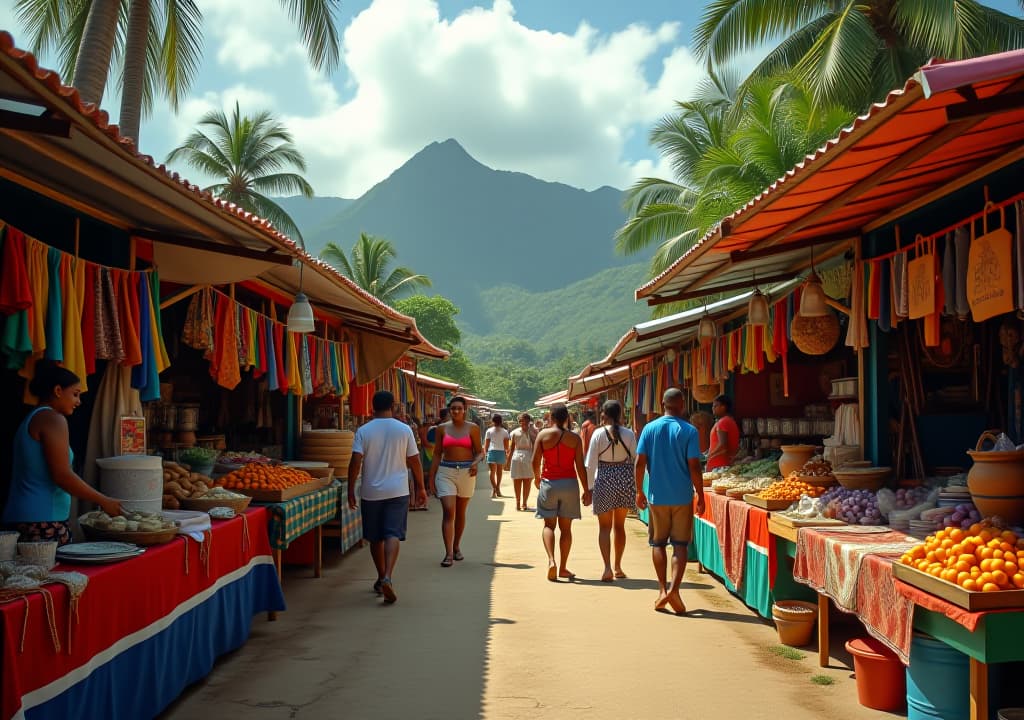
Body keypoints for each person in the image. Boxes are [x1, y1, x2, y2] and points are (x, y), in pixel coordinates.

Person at [2, 361, 122, 546]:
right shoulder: (53, 419)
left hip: (22, 517)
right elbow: (62, 475)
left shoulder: (33, 418)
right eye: (75, 394)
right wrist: (103, 500)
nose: (79, 402)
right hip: (42, 522)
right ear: (58, 391)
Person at [347, 391, 426, 604]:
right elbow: (415, 460)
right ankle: (388, 576)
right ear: (392, 405)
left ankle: (381, 577)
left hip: (371, 492)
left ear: (372, 407)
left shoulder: (363, 431)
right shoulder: (404, 430)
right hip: (398, 491)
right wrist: (421, 487)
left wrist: (349, 490)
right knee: (392, 533)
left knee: (375, 537)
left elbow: (355, 461)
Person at [635, 387, 704, 614]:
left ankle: (662, 590)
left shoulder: (649, 429)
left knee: (658, 543)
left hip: (657, 496)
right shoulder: (689, 430)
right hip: (682, 496)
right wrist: (701, 494)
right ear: (682, 404)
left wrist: (639, 491)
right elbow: (694, 465)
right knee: (680, 545)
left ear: (663, 404)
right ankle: (675, 589)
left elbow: (639, 462)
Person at [532, 403, 590, 581]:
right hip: (569, 485)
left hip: (549, 483)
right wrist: (586, 489)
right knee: (566, 529)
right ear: (567, 418)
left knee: (548, 526)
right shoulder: (575, 439)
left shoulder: (542, 435)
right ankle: (563, 567)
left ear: (551, 417)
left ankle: (551, 561)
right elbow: (580, 466)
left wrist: (537, 478)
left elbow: (535, 461)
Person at [584, 400, 637, 582]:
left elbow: (590, 465)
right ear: (620, 414)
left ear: (604, 415)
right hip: (624, 479)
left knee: (604, 528)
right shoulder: (629, 434)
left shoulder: (598, 434)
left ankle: (607, 568)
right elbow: (636, 460)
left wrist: (589, 489)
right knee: (620, 526)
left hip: (604, 478)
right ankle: (618, 567)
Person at [428, 396, 483, 567]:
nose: (456, 411)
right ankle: (449, 553)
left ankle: (457, 545)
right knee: (448, 511)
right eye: (453, 408)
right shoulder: (441, 429)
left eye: (459, 408)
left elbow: (480, 452)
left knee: (460, 512)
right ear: (449, 410)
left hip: (467, 472)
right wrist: (431, 478)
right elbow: (437, 453)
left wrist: (475, 463)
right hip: (446, 472)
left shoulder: (473, 428)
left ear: (465, 410)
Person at [505, 413, 536, 511]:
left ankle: (524, 503)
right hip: (518, 457)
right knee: (517, 480)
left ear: (529, 421)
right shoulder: (515, 433)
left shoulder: (533, 432)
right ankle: (519, 503)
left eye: (525, 421)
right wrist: (508, 462)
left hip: (528, 457)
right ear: (519, 422)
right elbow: (512, 448)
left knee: (527, 481)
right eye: (522, 421)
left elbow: (536, 446)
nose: (523, 423)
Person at [705, 394, 740, 471]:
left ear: (723, 407)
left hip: (719, 466)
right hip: (723, 465)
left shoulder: (723, 422)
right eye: (712, 406)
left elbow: (722, 445)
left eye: (715, 406)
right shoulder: (730, 421)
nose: (712, 408)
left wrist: (708, 455)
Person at [484, 413, 511, 498]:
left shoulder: (489, 431)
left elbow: (486, 444)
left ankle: (494, 489)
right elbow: (506, 446)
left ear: (492, 421)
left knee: (492, 472)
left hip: (491, 452)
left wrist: (485, 453)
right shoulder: (505, 432)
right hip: (501, 452)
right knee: (499, 473)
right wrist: (507, 454)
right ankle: (498, 488)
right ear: (501, 421)